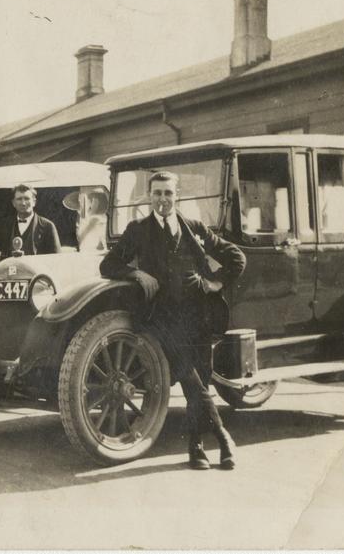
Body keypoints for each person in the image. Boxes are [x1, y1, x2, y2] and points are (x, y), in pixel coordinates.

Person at [100, 171, 246, 470]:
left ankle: (196, 448)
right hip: (162, 319)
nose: (163, 200)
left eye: (168, 193)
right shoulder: (137, 230)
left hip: (198, 317)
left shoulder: (193, 228)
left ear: (177, 195)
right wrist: (136, 273)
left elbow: (236, 257)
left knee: (201, 381)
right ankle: (223, 437)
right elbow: (108, 264)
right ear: (149, 197)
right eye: (157, 194)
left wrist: (216, 283)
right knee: (192, 382)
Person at [0, 184, 62, 259]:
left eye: (27, 199)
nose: (23, 203)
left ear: (34, 202)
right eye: (19, 199)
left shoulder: (47, 226)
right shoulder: (4, 226)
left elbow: (56, 259)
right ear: (13, 203)